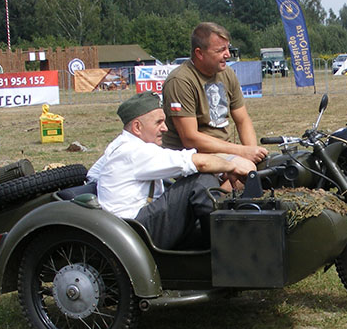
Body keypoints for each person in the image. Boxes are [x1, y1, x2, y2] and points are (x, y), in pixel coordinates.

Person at [87, 91, 255, 250]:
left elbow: (93, 175)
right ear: (137, 127)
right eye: (158, 122)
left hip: (126, 227)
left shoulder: (119, 146)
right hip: (135, 231)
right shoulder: (134, 151)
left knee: (194, 179)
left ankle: (215, 241)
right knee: (200, 181)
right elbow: (198, 163)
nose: (165, 128)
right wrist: (232, 165)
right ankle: (228, 246)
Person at [161, 22, 268, 164]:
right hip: (190, 158)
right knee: (245, 169)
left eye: (228, 48)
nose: (227, 55)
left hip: (225, 152)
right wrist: (241, 152)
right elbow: (189, 138)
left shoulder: (227, 73)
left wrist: (253, 153)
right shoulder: (180, 81)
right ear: (199, 53)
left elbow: (242, 120)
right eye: (220, 50)